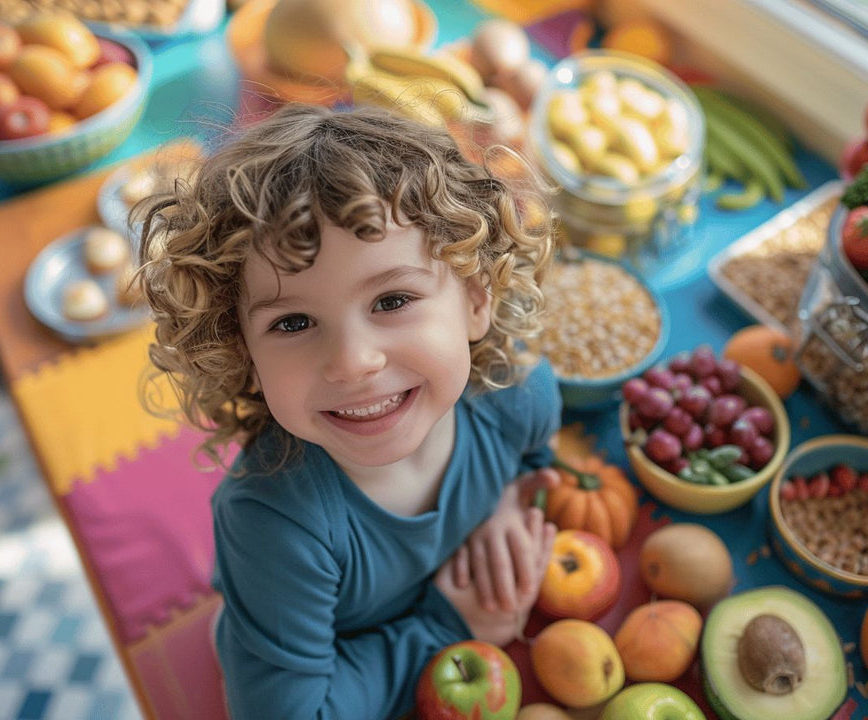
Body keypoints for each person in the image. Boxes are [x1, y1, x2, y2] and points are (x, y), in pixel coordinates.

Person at [135, 103, 562, 719]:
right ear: (243, 352)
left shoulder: (517, 392)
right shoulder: (274, 525)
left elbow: (535, 464)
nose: (353, 361)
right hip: (307, 648)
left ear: (475, 297)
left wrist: (508, 502)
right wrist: (446, 625)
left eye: (392, 299)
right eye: (294, 322)